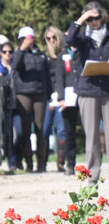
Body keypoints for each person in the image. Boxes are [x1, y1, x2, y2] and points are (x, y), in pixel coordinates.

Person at [66, 1, 109, 186]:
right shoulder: (83, 37)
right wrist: (81, 19)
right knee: (91, 135)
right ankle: (92, 177)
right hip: (88, 90)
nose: (94, 22)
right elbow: (69, 40)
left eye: (96, 17)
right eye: (90, 19)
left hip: (107, 89)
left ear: (103, 16)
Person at [11, 26, 50, 172]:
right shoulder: (18, 53)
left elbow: (46, 76)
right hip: (23, 93)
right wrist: (21, 49)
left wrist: (50, 94)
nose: (28, 41)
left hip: (40, 94)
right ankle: (29, 163)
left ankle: (41, 163)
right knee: (26, 129)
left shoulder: (41, 55)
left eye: (30, 38)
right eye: (24, 38)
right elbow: (15, 66)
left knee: (40, 128)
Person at [52, 27, 79, 176]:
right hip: (68, 96)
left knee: (93, 129)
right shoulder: (62, 54)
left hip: (84, 93)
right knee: (69, 131)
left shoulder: (83, 51)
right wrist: (61, 98)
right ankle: (70, 164)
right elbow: (59, 78)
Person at [42, 26, 68, 172]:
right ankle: (43, 162)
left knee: (62, 130)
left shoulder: (65, 54)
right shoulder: (45, 57)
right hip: (48, 97)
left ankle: (61, 163)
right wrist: (51, 98)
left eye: (54, 37)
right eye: (48, 38)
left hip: (63, 96)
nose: (51, 40)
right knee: (45, 130)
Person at [0, 41, 22, 171]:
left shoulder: (15, 67)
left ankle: (18, 159)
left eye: (10, 52)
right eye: (5, 52)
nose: (8, 54)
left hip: (17, 104)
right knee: (8, 135)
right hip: (4, 105)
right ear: (1, 53)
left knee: (20, 132)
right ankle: (11, 162)